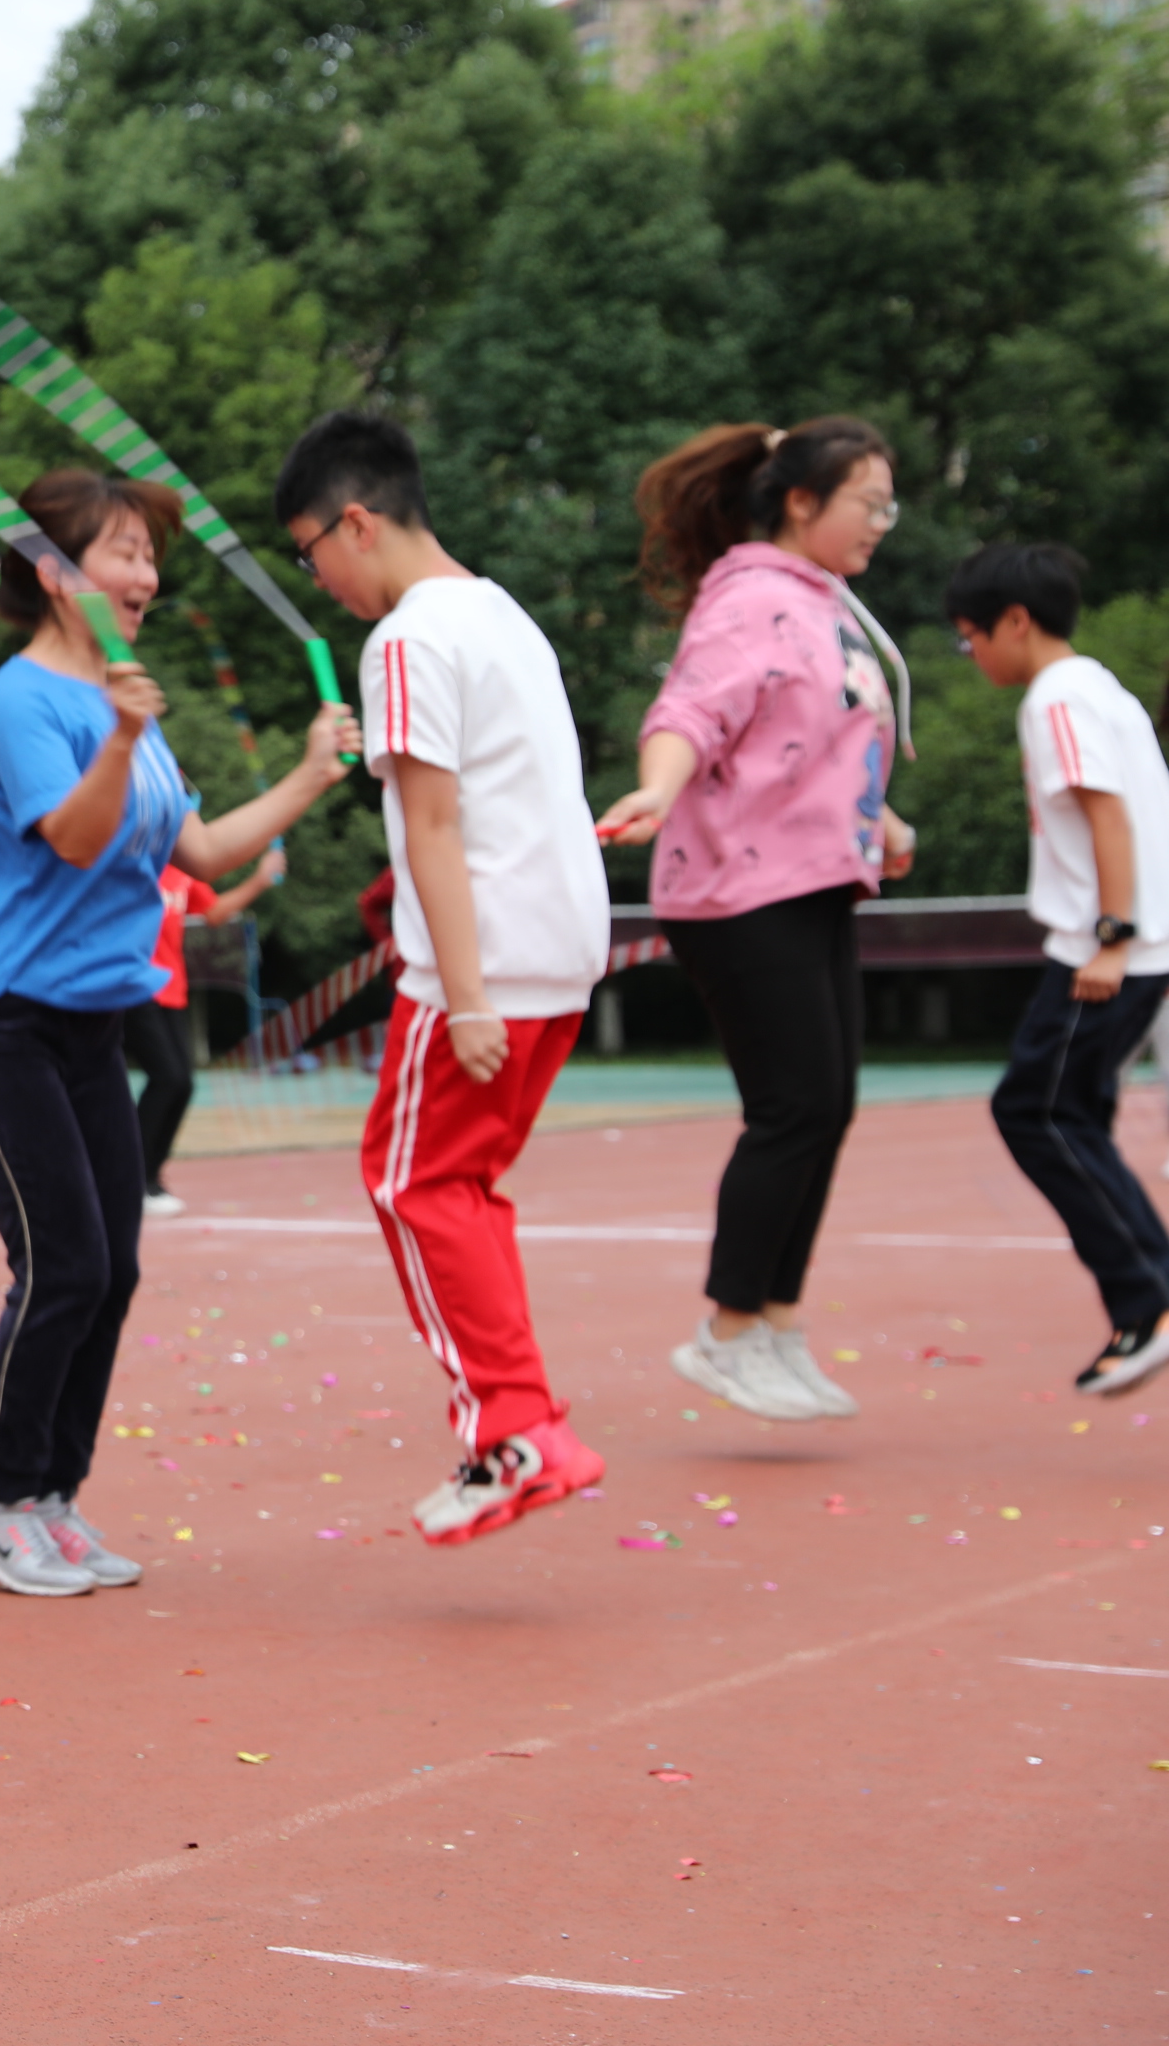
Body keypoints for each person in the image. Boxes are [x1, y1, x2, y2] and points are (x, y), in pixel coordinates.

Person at [0, 465, 355, 1595]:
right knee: (60, 1262)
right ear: (60, 576)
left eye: (151, 555)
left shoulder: (127, 700)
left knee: (111, 1268)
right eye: (123, 552)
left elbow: (200, 855)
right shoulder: (24, 698)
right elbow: (69, 833)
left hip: (90, 1025)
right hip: (0, 1022)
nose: (146, 575)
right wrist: (116, 737)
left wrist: (311, 773)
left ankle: (54, 1497)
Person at [282, 412, 609, 1546]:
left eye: (309, 549)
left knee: (412, 1182)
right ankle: (525, 1425)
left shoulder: (409, 641)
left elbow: (433, 819)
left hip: (490, 964)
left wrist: (461, 990)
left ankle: (513, 1432)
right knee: (462, 1189)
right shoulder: (501, 613)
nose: (315, 576)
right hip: (560, 949)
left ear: (356, 521)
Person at [597, 419, 911, 1427]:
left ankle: (776, 1319)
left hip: (815, 877)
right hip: (740, 888)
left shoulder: (822, 604)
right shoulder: (752, 601)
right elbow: (691, 712)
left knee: (830, 1104)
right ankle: (726, 1332)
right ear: (804, 502)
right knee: (793, 1106)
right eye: (869, 501)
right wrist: (655, 790)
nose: (882, 522)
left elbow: (816, 741)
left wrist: (881, 817)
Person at [946, 541, 1169, 1399]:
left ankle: (1147, 1299)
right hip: (1122, 945)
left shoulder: (1058, 699)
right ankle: (1147, 1295)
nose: (974, 658)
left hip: (1106, 951)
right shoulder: (1101, 688)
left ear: (1015, 621)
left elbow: (1108, 816)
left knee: (1034, 1111)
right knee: (1071, 1115)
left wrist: (1113, 934)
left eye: (972, 639)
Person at [135, 852, 280, 1216]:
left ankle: (147, 1177)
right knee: (167, 1078)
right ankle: (133, 1179)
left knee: (182, 1084)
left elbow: (214, 912)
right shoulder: (128, 859)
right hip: (132, 989)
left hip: (172, 990)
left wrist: (260, 880)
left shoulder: (181, 874)